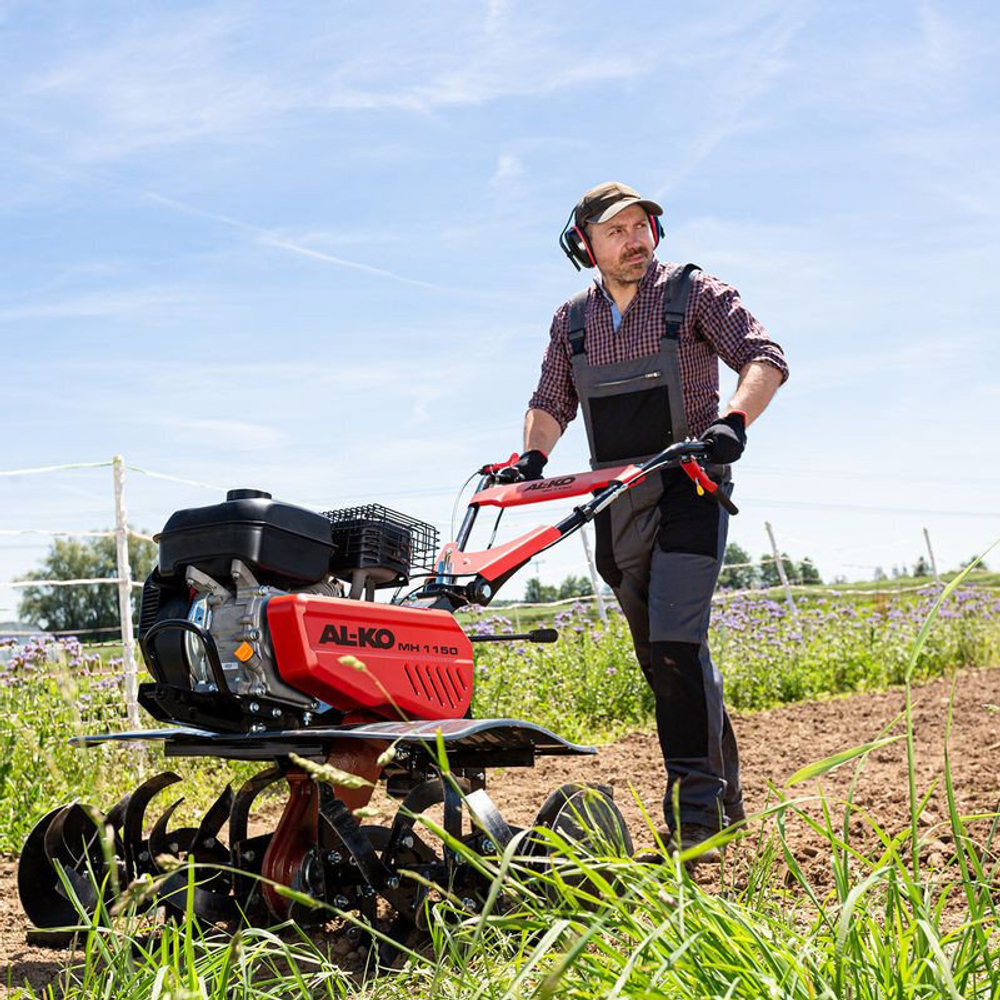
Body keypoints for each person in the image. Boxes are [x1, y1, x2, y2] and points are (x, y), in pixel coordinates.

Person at [504, 182, 788, 859]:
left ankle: (695, 823)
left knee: (676, 643)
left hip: (691, 486)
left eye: (642, 226)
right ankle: (729, 799)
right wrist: (531, 458)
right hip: (617, 499)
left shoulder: (695, 295)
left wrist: (733, 422)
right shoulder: (572, 320)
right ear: (585, 245)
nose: (635, 239)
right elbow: (551, 398)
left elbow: (764, 358)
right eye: (617, 231)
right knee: (663, 659)